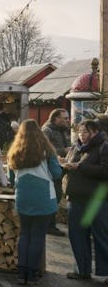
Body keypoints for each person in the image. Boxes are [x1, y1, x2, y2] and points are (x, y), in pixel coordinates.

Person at [7, 119, 62, 285]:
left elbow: (11, 177)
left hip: (23, 196)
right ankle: (32, 274)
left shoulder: (15, 151)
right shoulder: (47, 150)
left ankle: (21, 272)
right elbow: (57, 173)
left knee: (24, 234)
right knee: (38, 236)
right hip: (43, 196)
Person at [62, 119, 108, 281]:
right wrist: (64, 164)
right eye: (80, 131)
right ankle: (82, 270)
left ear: (95, 132)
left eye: (86, 132)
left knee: (101, 237)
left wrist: (80, 167)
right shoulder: (75, 147)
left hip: (96, 200)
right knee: (77, 236)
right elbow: (70, 164)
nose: (82, 135)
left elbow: (105, 171)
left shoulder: (103, 147)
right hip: (75, 198)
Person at [42, 108, 70, 237]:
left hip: (61, 168)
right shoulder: (47, 130)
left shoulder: (63, 130)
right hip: (50, 170)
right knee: (53, 197)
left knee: (56, 197)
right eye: (64, 118)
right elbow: (44, 148)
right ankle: (49, 226)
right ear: (56, 118)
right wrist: (63, 151)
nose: (67, 120)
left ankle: (49, 225)